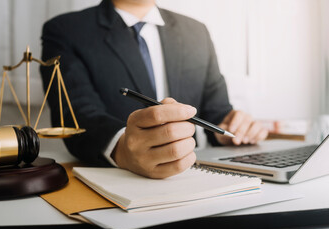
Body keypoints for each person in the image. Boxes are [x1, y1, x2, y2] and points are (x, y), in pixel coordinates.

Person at [39, 0, 268, 179]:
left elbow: (217, 113)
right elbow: (76, 114)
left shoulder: (196, 31)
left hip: (196, 177)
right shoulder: (65, 30)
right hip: (119, 180)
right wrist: (125, 150)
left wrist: (234, 128)